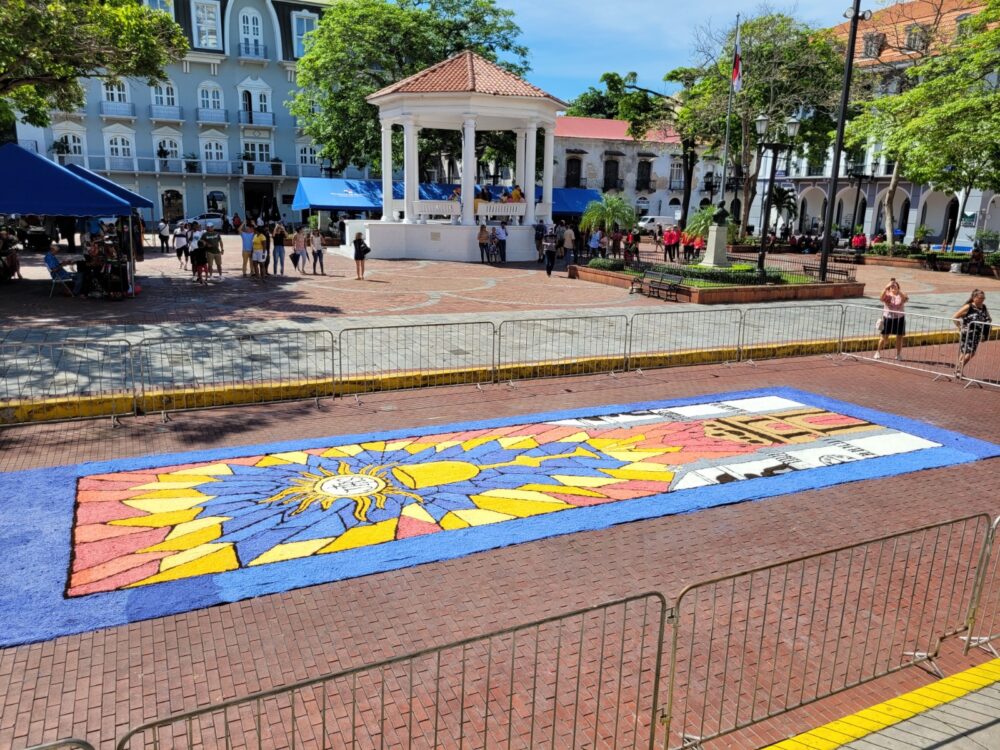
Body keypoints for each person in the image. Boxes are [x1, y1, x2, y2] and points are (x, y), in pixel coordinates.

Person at [953, 290, 991, 377]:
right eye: (980, 298)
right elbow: (955, 317)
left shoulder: (983, 307)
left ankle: (958, 372)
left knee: (964, 352)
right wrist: (960, 327)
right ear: (974, 298)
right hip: (967, 333)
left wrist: (986, 328)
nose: (982, 300)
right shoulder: (968, 307)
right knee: (971, 353)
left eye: (983, 298)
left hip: (977, 334)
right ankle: (958, 368)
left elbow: (988, 318)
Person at [875, 278, 908, 360]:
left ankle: (898, 354)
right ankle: (877, 352)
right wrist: (886, 287)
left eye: (895, 286)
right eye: (891, 286)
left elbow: (905, 299)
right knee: (884, 338)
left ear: (898, 287)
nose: (893, 287)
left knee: (899, 338)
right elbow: (881, 297)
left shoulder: (901, 295)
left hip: (899, 318)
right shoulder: (887, 295)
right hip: (888, 318)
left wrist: (898, 291)